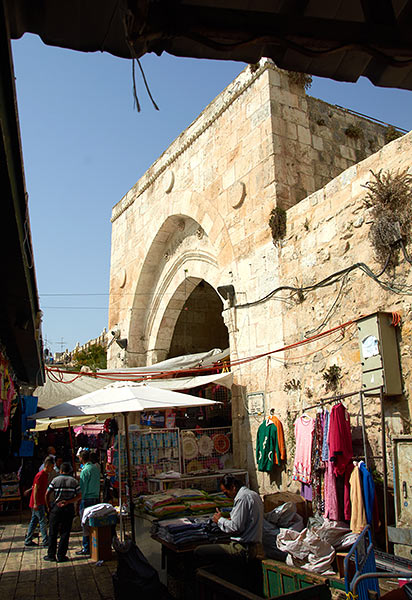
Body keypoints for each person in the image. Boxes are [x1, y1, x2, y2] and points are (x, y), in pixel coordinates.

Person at [194, 474, 264, 586]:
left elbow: (235, 527)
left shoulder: (242, 498)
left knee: (199, 551)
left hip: (243, 548)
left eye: (226, 492)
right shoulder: (253, 495)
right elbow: (243, 521)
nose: (226, 496)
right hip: (252, 546)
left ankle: (218, 581)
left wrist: (219, 520)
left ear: (233, 487)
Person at [44, 462, 81, 563]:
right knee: (65, 532)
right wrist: (69, 502)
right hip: (68, 509)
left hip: (56, 508)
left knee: (53, 532)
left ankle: (51, 555)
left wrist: (48, 506)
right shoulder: (74, 481)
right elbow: (79, 496)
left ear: (60, 471)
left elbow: (47, 493)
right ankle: (61, 555)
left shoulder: (55, 480)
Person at [24, 457, 55, 547]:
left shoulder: (45, 475)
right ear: (47, 466)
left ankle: (28, 539)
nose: (52, 469)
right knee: (42, 521)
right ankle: (45, 540)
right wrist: (35, 503)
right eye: (51, 467)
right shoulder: (40, 475)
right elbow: (35, 489)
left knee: (34, 521)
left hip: (40, 501)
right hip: (38, 502)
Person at [76, 449, 100, 556]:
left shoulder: (85, 471)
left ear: (81, 459)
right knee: (93, 523)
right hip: (95, 497)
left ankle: (86, 547)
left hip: (87, 499)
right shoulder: (95, 468)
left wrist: (78, 499)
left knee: (85, 523)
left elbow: (83, 487)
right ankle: (93, 544)